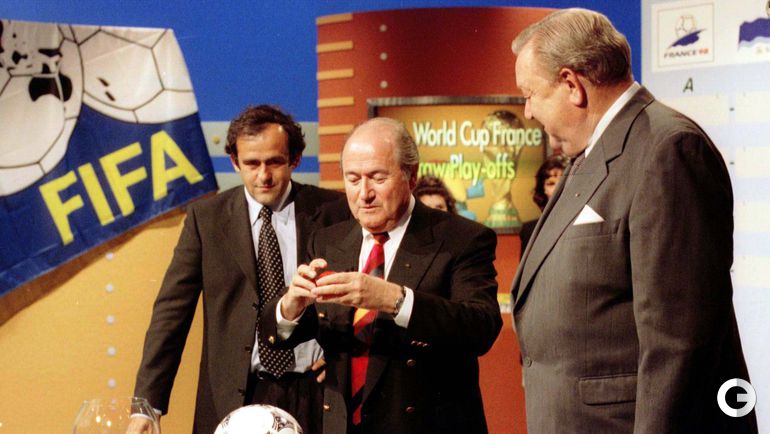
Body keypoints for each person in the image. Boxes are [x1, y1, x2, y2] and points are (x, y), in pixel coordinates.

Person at [509, 8, 757, 434]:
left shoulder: (668, 149)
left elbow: (678, 343)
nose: (528, 112)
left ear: (571, 85)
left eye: (530, 94)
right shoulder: (591, 153)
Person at [260, 117, 502, 433]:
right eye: (353, 179)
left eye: (377, 177)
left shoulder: (461, 239)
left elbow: (481, 327)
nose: (364, 193)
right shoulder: (328, 241)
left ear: (411, 176)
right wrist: (291, 307)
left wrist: (394, 299)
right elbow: (290, 333)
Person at [130, 105, 349, 434]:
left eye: (274, 162)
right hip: (236, 395)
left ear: (295, 159)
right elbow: (170, 316)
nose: (263, 176)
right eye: (251, 163)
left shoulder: (335, 211)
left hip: (317, 393)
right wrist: (147, 405)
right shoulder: (206, 219)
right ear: (235, 161)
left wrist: (344, 358)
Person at [518, 154, 567, 257]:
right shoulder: (530, 230)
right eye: (551, 183)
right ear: (543, 189)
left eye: (563, 182)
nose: (557, 189)